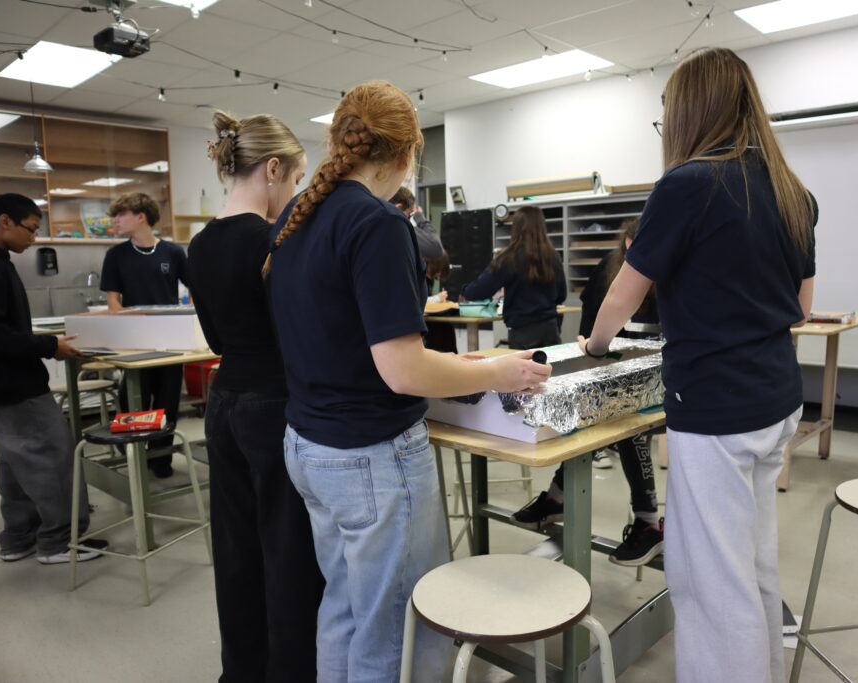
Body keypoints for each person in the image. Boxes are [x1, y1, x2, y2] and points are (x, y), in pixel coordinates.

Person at [265, 80, 551, 682]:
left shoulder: (297, 215)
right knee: (394, 628)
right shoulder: (378, 223)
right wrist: (497, 370)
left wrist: (470, 365)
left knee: (345, 609)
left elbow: (351, 344)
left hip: (309, 446)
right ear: (405, 154)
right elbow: (402, 371)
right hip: (371, 458)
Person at [579, 47, 817, 683]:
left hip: (716, 409)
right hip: (776, 400)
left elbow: (622, 296)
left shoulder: (687, 185)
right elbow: (800, 308)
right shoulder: (793, 191)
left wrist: (595, 347)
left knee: (712, 581)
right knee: (753, 560)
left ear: (690, 112)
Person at [186, 112, 324, 682]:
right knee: (288, 553)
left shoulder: (197, 245)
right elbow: (299, 334)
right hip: (275, 406)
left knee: (237, 549)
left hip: (224, 402)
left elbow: (216, 340)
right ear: (272, 169)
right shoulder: (274, 242)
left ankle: (241, 672)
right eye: (294, 179)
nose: (294, 192)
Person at [512, 217, 664, 566]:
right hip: (619, 372)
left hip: (660, 379)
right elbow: (592, 321)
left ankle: (646, 520)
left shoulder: (670, 274)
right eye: (629, 254)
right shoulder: (609, 269)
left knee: (623, 423)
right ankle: (558, 498)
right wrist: (590, 350)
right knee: (590, 409)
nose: (635, 263)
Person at [0, 193, 108, 565]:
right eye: (31, 229)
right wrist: (50, 346)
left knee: (16, 459)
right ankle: (59, 541)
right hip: (15, 383)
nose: (34, 238)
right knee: (52, 456)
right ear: (5, 221)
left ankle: (18, 537)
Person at [100, 192, 187, 478]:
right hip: (135, 345)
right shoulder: (116, 256)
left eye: (120, 214)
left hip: (170, 344)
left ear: (141, 217)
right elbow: (113, 303)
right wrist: (132, 323)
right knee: (132, 401)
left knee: (167, 403)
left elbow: (195, 289)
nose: (115, 220)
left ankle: (161, 460)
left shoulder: (173, 253)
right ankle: (135, 457)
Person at [461, 205, 567, 349]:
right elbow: (561, 295)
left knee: (524, 365)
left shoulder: (509, 258)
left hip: (522, 332)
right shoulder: (553, 257)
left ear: (516, 227)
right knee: (550, 364)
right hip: (551, 330)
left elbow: (480, 290)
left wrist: (465, 291)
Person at [391, 185, 443, 263]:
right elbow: (435, 247)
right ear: (399, 208)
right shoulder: (398, 228)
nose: (408, 219)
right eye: (410, 214)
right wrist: (419, 216)